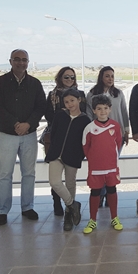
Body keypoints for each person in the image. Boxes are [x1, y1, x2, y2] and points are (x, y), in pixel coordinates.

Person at [0, 49, 46, 226]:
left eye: (24, 60)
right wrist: (15, 124)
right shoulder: (0, 83)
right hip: (7, 135)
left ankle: (27, 207)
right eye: (17, 59)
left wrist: (28, 124)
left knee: (29, 173)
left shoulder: (35, 83)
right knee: (5, 174)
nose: (21, 63)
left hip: (29, 135)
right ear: (10, 61)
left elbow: (41, 107)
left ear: (28, 62)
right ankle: (2, 210)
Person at [45, 89, 90, 231]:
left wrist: (80, 156)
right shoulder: (60, 116)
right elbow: (53, 134)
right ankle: (72, 204)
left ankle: (68, 216)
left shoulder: (85, 120)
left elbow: (85, 142)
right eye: (66, 102)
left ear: (79, 100)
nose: (70, 104)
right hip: (56, 155)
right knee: (54, 182)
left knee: (70, 184)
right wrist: (54, 149)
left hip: (73, 156)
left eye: (72, 101)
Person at [87, 66, 129, 207]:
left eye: (112, 76)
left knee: (111, 165)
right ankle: (100, 194)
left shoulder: (118, 94)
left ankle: (107, 195)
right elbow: (89, 114)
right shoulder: (92, 94)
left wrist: (126, 131)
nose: (110, 79)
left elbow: (124, 112)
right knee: (100, 165)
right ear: (101, 77)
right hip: (98, 136)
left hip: (116, 136)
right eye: (107, 76)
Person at [82, 95, 124, 233]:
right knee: (95, 192)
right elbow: (85, 146)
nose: (102, 111)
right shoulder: (89, 128)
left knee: (112, 190)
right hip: (96, 168)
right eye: (99, 109)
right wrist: (94, 159)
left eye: (105, 108)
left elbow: (118, 143)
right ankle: (92, 220)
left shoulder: (115, 126)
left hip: (111, 166)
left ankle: (114, 217)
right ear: (94, 110)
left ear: (110, 109)